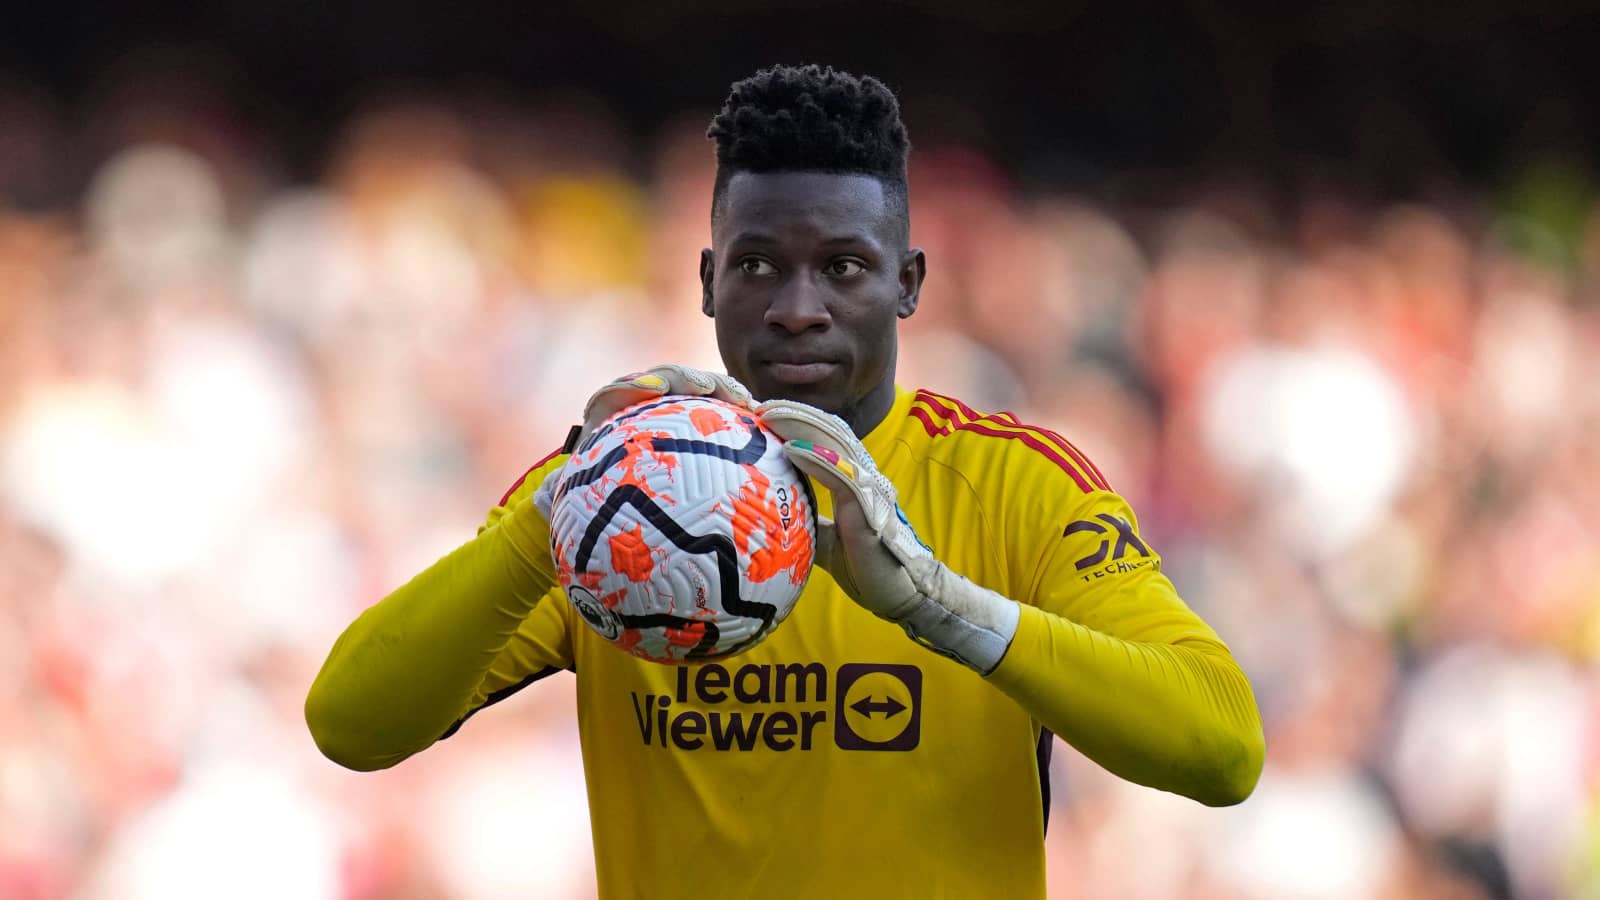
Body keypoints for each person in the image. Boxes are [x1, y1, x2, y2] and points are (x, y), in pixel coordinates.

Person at [306, 64, 1265, 898]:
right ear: (707, 279)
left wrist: (939, 607)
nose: (798, 309)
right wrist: (547, 516)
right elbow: (351, 723)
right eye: (759, 265)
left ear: (908, 283)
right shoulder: (615, 495)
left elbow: (1223, 750)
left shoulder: (1012, 483)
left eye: (844, 267)